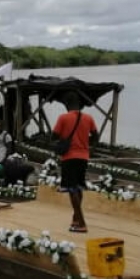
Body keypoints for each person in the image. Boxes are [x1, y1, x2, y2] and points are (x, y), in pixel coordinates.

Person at [52, 96, 98, 232]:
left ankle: (82, 223)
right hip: (83, 157)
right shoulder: (88, 118)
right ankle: (76, 218)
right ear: (80, 106)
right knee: (78, 187)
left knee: (72, 190)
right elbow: (96, 136)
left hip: (69, 157)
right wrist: (87, 145)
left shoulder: (63, 118)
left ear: (67, 105)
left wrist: (64, 138)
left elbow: (53, 136)